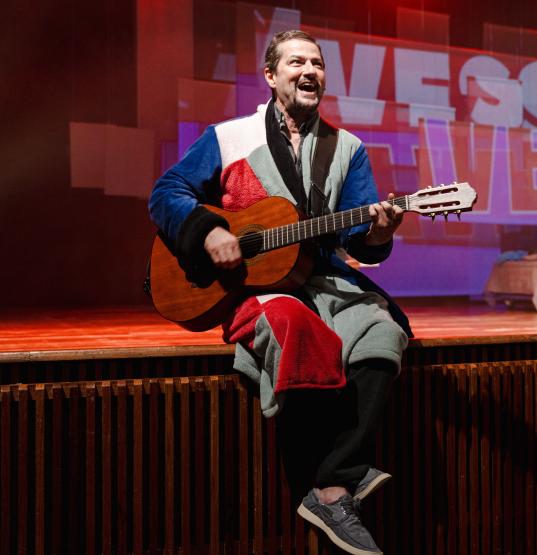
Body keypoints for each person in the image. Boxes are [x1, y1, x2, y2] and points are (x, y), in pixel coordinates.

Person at [148, 29, 411, 555]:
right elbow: (165, 193)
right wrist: (209, 231)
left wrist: (379, 232)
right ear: (270, 76)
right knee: (294, 327)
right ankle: (325, 486)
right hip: (256, 286)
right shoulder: (228, 137)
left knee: (383, 333)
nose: (310, 70)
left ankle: (334, 484)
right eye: (296, 62)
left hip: (325, 281)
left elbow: (359, 237)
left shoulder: (348, 148)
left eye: (317, 62)